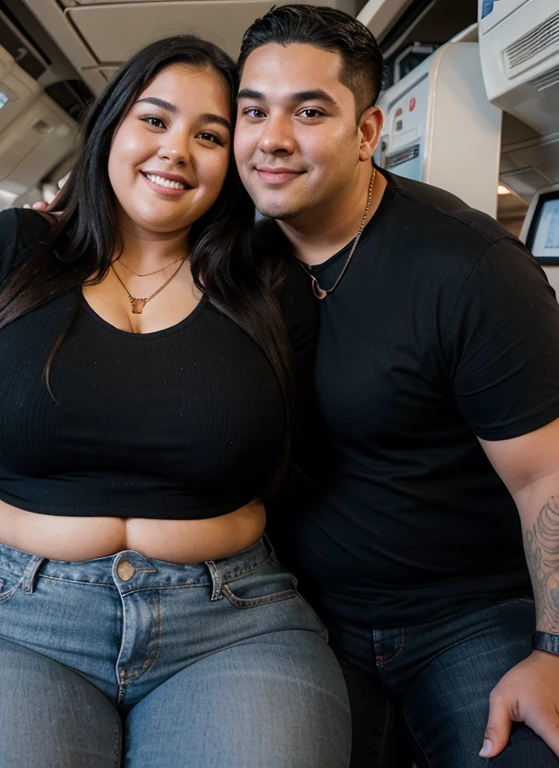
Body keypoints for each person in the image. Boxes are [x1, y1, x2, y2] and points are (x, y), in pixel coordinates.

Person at [0, 36, 350, 767]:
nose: (176, 149)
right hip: (8, 616)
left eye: (209, 134)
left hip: (232, 620)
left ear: (235, 157)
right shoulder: (13, 247)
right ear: (112, 127)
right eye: (154, 120)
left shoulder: (268, 279)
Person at [232, 5, 559, 767]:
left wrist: (553, 650)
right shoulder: (233, 264)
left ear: (369, 132)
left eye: (309, 111)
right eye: (254, 112)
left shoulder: (468, 267)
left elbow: (546, 475)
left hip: (470, 615)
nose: (273, 138)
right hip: (294, 612)